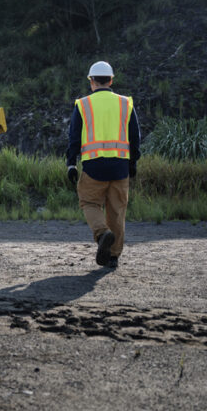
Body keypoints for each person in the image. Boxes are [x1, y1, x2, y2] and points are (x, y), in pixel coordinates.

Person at [66, 61, 141, 269]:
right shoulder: (126, 104)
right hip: (120, 167)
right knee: (117, 210)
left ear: (91, 82)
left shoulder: (83, 105)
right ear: (111, 80)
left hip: (93, 167)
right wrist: (133, 162)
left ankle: (102, 233)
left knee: (89, 203)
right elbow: (135, 137)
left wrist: (71, 164)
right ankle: (114, 256)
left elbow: (74, 138)